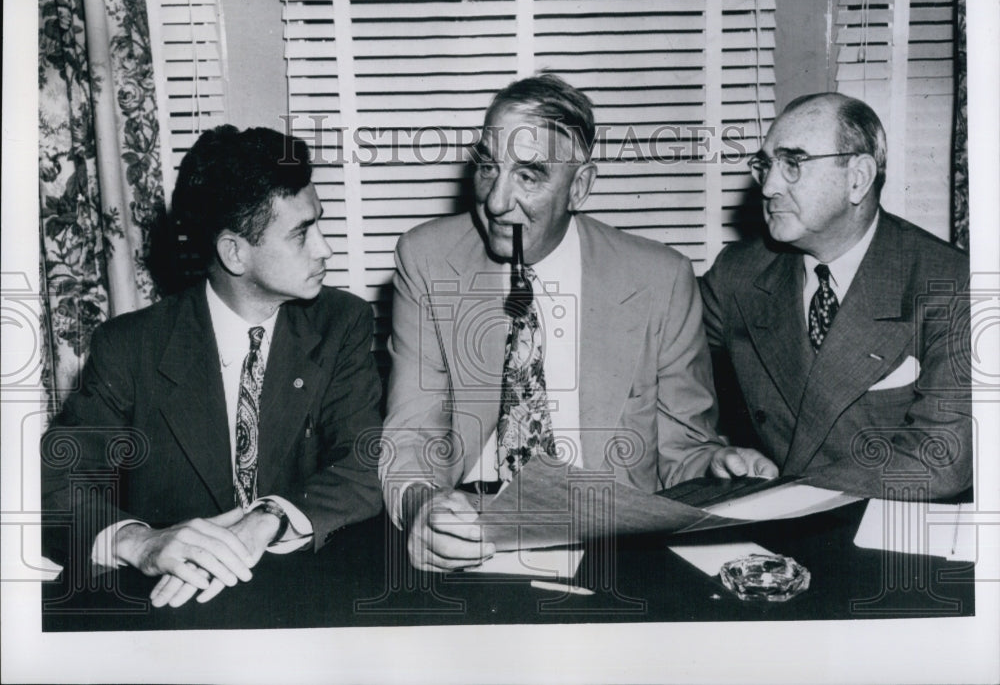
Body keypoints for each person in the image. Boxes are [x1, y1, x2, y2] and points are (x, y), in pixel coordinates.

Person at [380, 74, 777, 572]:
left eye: (530, 175)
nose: (497, 201)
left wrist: (718, 468)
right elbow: (412, 433)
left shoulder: (661, 278)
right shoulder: (428, 259)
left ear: (580, 186)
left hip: (616, 535)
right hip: (473, 526)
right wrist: (422, 508)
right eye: (488, 168)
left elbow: (683, 451)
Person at [42, 125, 383, 607]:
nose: (324, 248)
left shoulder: (341, 323)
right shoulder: (130, 347)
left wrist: (267, 519)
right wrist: (140, 543)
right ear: (234, 252)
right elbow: (52, 484)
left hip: (307, 592)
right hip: (170, 607)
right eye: (302, 233)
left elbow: (365, 460)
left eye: (318, 224)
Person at [700, 92, 971, 499]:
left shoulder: (952, 283)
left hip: (887, 531)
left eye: (794, 163)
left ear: (858, 177)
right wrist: (706, 452)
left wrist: (783, 493)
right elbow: (662, 366)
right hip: (770, 534)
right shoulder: (737, 274)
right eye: (766, 165)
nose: (769, 186)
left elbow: (940, 461)